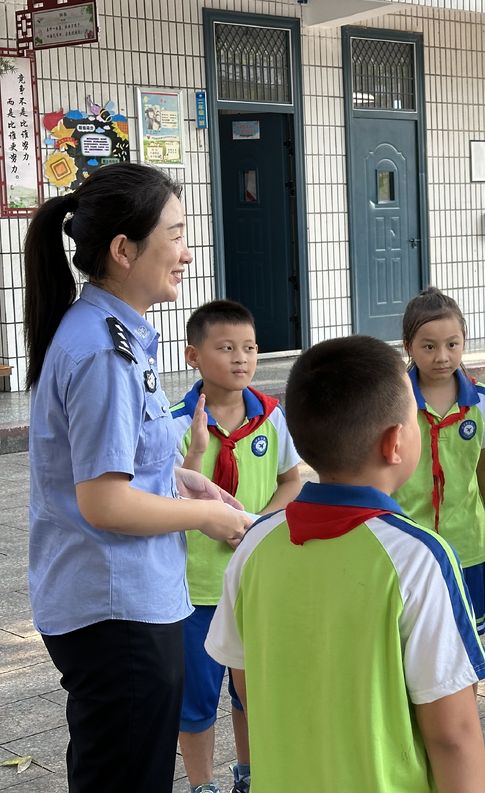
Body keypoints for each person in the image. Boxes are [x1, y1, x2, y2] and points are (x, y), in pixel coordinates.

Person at [23, 163, 250, 793]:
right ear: (124, 251)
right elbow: (104, 502)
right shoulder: (102, 349)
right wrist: (210, 517)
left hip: (120, 600)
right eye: (174, 235)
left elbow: (110, 462)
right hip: (115, 609)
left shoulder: (109, 334)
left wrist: (180, 479)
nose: (186, 252)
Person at [205, 335, 485, 793]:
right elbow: (453, 732)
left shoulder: (256, 543)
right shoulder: (418, 556)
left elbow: (245, 687)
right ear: (395, 441)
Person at [171, 299, 302, 793]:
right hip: (196, 588)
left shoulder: (273, 418)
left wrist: (259, 524)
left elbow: (291, 481)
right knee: (197, 697)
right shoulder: (173, 424)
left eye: (249, 347)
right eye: (226, 348)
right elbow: (164, 496)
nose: (241, 358)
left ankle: (251, 775)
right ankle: (202, 784)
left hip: (256, 579)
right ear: (193, 356)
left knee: (252, 691)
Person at [393, 287, 485, 634]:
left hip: (468, 542)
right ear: (407, 346)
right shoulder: (394, 401)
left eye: (452, 344)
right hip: (408, 540)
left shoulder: (480, 400)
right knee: (413, 638)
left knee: (465, 640)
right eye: (428, 346)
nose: (442, 356)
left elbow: (484, 470)